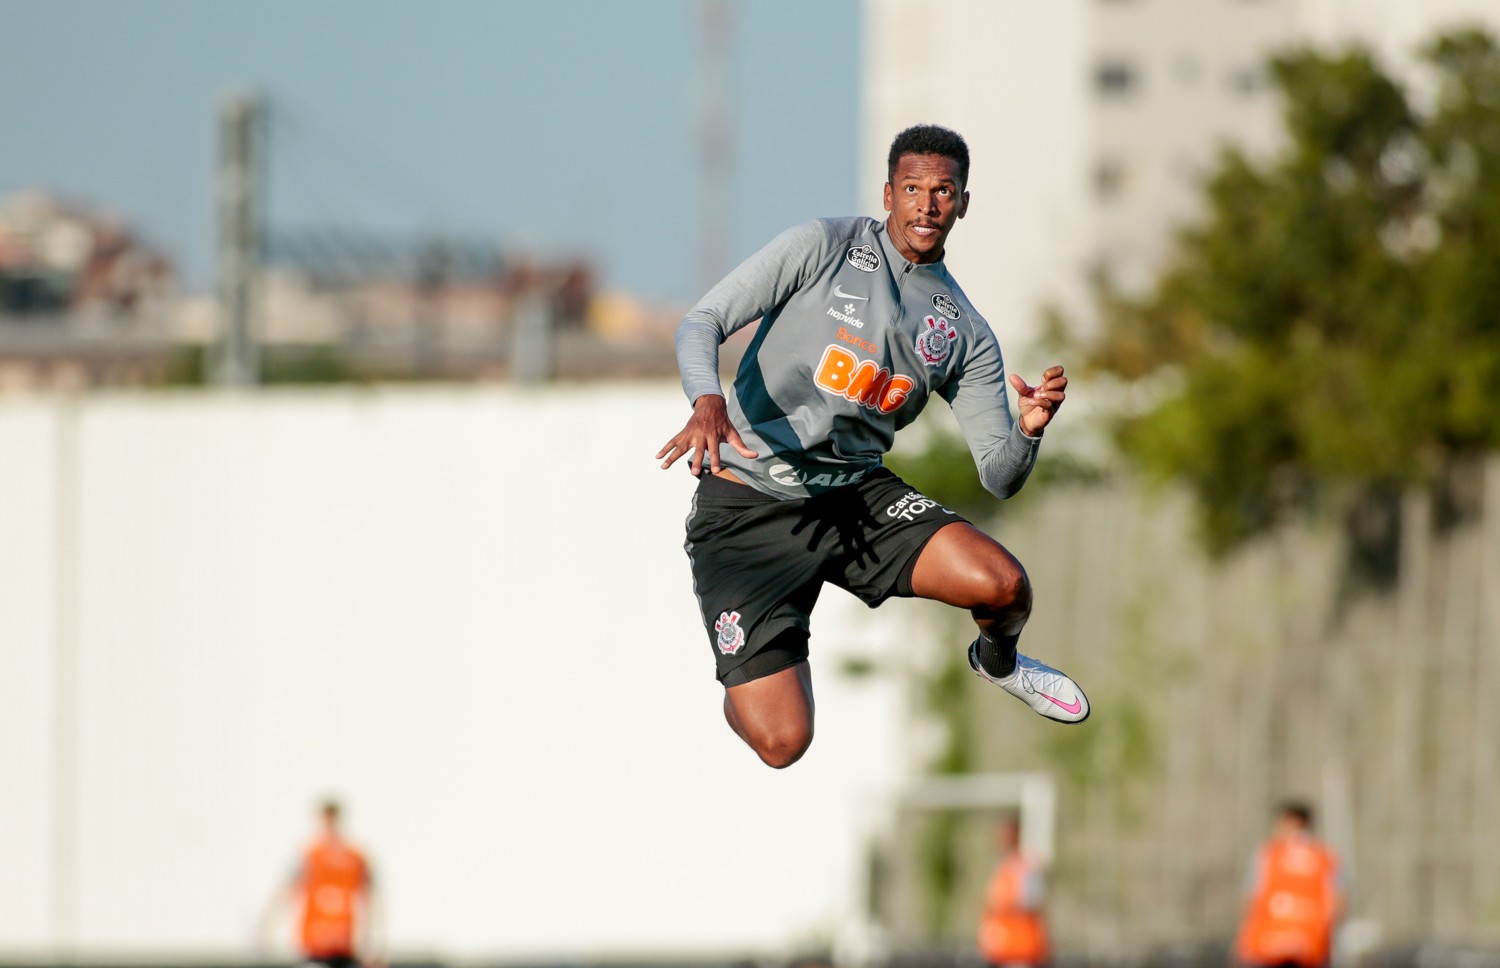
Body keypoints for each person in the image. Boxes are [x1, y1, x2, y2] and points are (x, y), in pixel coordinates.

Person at [657, 124, 1089, 770]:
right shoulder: (821, 246)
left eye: (943, 192)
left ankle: (998, 663)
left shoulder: (964, 331)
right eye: (913, 189)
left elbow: (999, 477)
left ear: (963, 203)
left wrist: (1028, 429)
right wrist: (706, 400)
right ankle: (744, 678)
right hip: (748, 506)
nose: (927, 205)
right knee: (783, 743)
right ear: (888, 194)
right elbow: (702, 322)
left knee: (1004, 585)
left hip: (853, 498)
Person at [261, 798, 384, 968]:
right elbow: (286, 889)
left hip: (344, 942)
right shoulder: (309, 854)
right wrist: (268, 924)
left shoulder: (355, 856)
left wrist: (375, 942)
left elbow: (372, 897)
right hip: (315, 942)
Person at [1233, 801, 1344, 968]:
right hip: (1308, 945)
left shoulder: (1269, 855)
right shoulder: (1326, 857)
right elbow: (1338, 901)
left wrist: (1243, 938)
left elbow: (1252, 897)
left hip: (1273, 945)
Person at [977, 814, 1051, 968]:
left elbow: (1032, 902)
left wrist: (1004, 907)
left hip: (1019, 947)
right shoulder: (1003, 865)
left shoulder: (1026, 865)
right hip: (1002, 948)